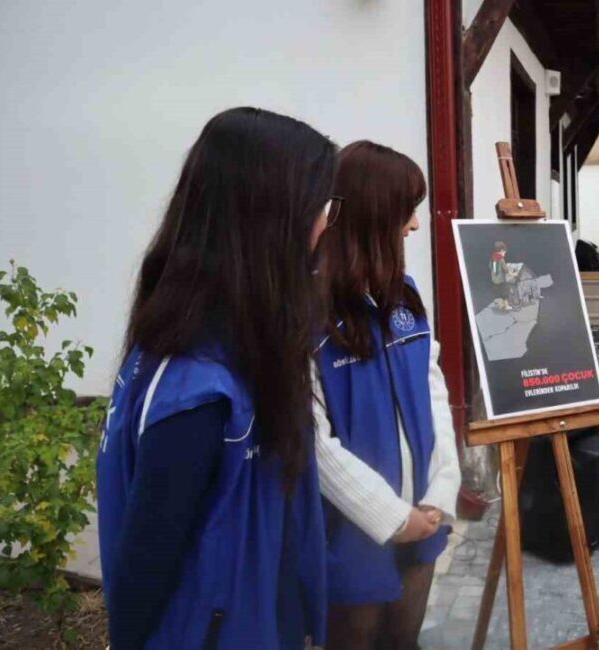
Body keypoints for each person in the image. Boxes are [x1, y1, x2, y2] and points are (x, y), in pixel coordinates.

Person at [97, 107, 337, 649]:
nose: (326, 224)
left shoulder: (247, 348)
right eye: (318, 207)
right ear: (268, 223)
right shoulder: (196, 391)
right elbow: (142, 575)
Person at [313, 140, 460, 650]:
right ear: (372, 215)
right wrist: (394, 519)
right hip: (354, 532)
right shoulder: (309, 313)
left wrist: (441, 490)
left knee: (403, 643)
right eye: (407, 210)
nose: (414, 224)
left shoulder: (406, 296)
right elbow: (313, 441)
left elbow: (434, 392)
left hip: (423, 519)